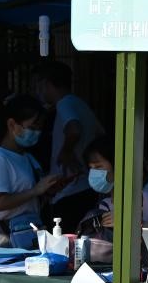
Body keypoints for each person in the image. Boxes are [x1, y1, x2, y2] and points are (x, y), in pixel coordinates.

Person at [0, 95, 62, 249]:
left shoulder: (28, 158)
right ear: (12, 124)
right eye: (32, 127)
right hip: (9, 237)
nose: (37, 132)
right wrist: (35, 190)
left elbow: (32, 197)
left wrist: (48, 190)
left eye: (40, 128)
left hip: (31, 231)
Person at [33, 61, 105, 226]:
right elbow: (100, 134)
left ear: (47, 84)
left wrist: (66, 151)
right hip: (84, 186)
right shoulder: (80, 104)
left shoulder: (64, 104)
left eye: (39, 85)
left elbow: (74, 129)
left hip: (69, 190)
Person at [77, 136, 115, 243]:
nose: (94, 173)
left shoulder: (144, 199)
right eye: (91, 168)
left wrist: (128, 222)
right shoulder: (103, 204)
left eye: (98, 167)